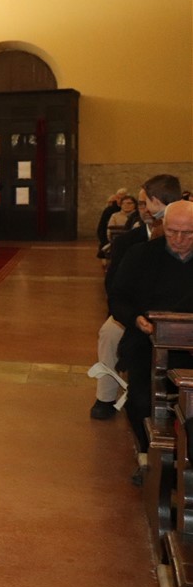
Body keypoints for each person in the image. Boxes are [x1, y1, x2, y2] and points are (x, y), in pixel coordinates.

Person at [109, 200, 193, 484]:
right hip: (148, 341)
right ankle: (147, 453)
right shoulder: (141, 255)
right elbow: (118, 298)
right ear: (162, 227)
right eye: (172, 232)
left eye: (188, 233)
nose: (179, 239)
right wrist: (136, 319)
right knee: (140, 398)